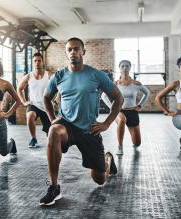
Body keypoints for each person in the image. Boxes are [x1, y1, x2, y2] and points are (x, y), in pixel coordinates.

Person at [40, 37, 124, 206]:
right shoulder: (59, 76)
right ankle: (54, 186)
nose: (73, 52)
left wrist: (106, 123)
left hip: (89, 129)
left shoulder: (96, 75)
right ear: (66, 53)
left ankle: (107, 159)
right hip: (66, 125)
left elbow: (118, 98)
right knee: (53, 131)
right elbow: (46, 98)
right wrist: (52, 122)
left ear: (83, 52)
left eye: (76, 49)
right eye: (69, 49)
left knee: (99, 179)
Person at [101, 60, 150, 155]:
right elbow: (103, 96)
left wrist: (140, 105)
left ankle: (135, 142)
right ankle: (120, 146)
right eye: (122, 66)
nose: (125, 68)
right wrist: (113, 108)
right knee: (122, 119)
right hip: (119, 111)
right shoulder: (115, 84)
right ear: (119, 68)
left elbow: (147, 93)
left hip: (132, 111)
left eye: (127, 66)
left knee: (137, 143)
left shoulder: (136, 84)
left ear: (130, 68)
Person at [17, 53, 52, 148]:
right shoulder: (29, 76)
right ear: (33, 63)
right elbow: (19, 89)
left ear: (42, 62)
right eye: (35, 61)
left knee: (50, 136)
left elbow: (59, 87)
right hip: (34, 104)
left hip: (46, 106)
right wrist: (24, 102)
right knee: (30, 116)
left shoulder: (48, 75)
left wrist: (56, 99)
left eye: (39, 60)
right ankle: (33, 138)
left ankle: (50, 140)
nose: (37, 63)